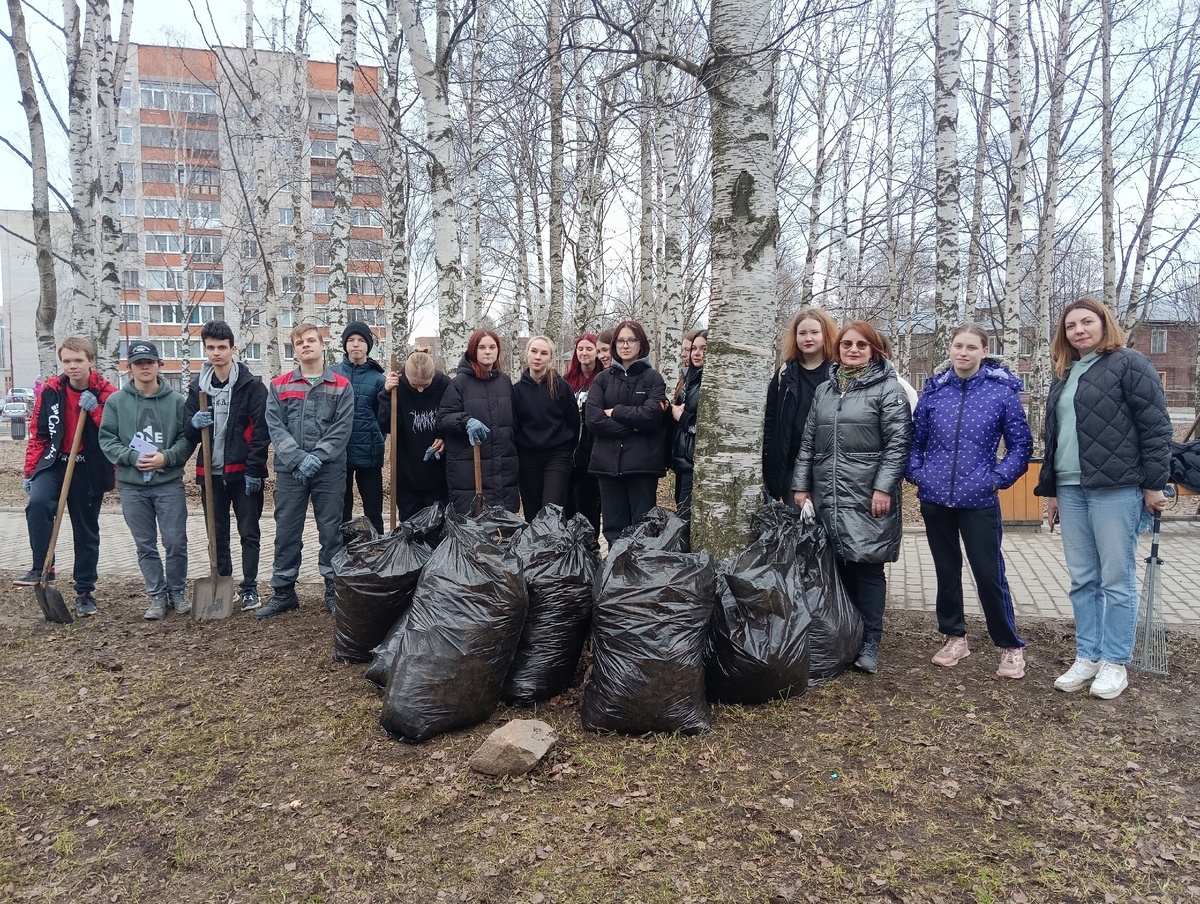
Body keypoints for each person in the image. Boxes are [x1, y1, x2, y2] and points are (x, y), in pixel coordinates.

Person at [1034, 298, 1172, 700]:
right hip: (1072, 488)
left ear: (1103, 324)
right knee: (1083, 580)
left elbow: (1155, 427)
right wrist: (1054, 491)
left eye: (1087, 322)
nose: (1079, 330)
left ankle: (1115, 661)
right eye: (1071, 325)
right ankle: (1087, 655)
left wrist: (1153, 484)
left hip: (1116, 488)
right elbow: (1057, 436)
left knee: (1116, 579)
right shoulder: (1065, 373)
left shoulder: (1130, 363)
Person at [907, 323, 1033, 678]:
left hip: (979, 500)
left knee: (988, 574)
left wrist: (996, 479)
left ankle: (1009, 646)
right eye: (958, 346)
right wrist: (918, 474)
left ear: (983, 351)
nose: (964, 353)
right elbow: (915, 442)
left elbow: (1021, 447)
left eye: (971, 347)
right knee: (946, 572)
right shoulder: (934, 392)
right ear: (949, 349)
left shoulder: (1001, 393)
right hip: (935, 499)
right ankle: (954, 637)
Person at [793, 320, 912, 675]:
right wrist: (802, 486)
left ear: (875, 350)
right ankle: (846, 637)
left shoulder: (889, 390)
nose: (853, 350)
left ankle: (871, 641)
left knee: (867, 567)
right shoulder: (826, 391)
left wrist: (883, 487)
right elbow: (809, 443)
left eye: (862, 345)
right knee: (838, 566)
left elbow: (898, 444)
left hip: (867, 495)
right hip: (829, 494)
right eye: (847, 345)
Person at [258, 323, 355, 618]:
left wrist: (318, 457)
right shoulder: (279, 385)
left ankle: (332, 588)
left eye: (311, 340)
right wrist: (298, 459)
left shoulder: (342, 386)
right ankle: (284, 591)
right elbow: (275, 426)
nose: (305, 345)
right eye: (299, 342)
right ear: (295, 349)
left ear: (323, 345)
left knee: (331, 532)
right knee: (287, 531)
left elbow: (342, 429)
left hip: (329, 471)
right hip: (291, 472)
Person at [18, 337, 118, 618]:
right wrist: (30, 470)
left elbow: (115, 430)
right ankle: (42, 567)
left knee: (85, 530)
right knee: (37, 505)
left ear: (90, 361)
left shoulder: (106, 392)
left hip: (88, 468)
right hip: (55, 463)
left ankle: (85, 591)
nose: (72, 366)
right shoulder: (51, 390)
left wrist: (96, 409)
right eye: (67, 361)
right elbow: (38, 433)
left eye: (78, 360)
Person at [98, 341, 196, 620]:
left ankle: (177, 590)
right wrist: (129, 457)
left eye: (149, 362)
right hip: (132, 486)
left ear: (158, 366)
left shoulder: (176, 401)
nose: (144, 367)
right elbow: (107, 439)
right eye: (138, 363)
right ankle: (156, 595)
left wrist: (166, 458)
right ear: (129, 368)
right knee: (145, 544)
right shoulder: (117, 401)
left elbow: (186, 439)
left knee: (176, 541)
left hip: (168, 483)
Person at [183, 320, 270, 612]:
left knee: (249, 531)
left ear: (233, 349)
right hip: (210, 473)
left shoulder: (252, 386)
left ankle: (249, 587)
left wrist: (255, 470)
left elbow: (261, 431)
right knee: (216, 531)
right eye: (211, 347)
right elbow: (188, 431)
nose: (216, 353)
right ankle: (224, 581)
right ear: (205, 349)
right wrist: (194, 424)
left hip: (243, 472)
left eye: (222, 347)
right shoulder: (199, 389)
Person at [587, 320, 669, 547]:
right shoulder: (602, 379)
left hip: (642, 464)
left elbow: (653, 416)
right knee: (613, 528)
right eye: (621, 340)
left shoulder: (653, 378)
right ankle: (615, 575)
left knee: (643, 528)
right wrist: (634, 425)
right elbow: (593, 419)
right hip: (607, 465)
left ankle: (640, 578)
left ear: (640, 343)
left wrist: (616, 412)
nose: (625, 345)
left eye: (631, 340)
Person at [438, 329, 520, 514]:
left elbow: (514, 422)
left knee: (503, 530)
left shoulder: (505, 382)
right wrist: (465, 421)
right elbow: (443, 418)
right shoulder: (460, 383)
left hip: (503, 469)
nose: (488, 351)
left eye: (492, 347)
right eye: (482, 347)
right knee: (474, 530)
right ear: (473, 350)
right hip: (469, 472)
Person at [762, 307, 838, 503]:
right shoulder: (785, 374)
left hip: (829, 467)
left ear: (825, 335)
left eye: (814, 332)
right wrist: (771, 460)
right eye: (802, 333)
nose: (808, 338)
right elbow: (770, 420)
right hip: (791, 468)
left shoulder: (837, 372)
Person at [377, 347, 451, 520]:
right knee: (411, 529)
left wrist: (443, 436)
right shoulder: (397, 387)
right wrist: (386, 394)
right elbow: (387, 425)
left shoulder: (445, 385)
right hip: (407, 473)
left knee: (437, 528)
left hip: (437, 475)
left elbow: (451, 416)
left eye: (425, 385)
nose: (420, 390)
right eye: (415, 385)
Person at [513, 336, 579, 521]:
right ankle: (536, 550)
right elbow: (513, 425)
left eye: (543, 353)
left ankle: (556, 549)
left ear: (551, 357)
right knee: (532, 513)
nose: (538, 357)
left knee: (552, 510)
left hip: (556, 456)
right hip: (527, 459)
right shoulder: (516, 391)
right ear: (527, 354)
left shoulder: (561, 387)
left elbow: (573, 423)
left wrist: (565, 450)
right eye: (534, 351)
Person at [332, 321, 387, 533]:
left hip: (369, 455)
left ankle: (378, 552)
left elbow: (383, 418)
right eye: (351, 340)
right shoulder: (332, 375)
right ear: (345, 345)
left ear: (368, 346)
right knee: (341, 511)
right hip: (339, 454)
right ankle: (343, 555)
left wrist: (376, 437)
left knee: (373, 512)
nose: (356, 345)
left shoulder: (378, 379)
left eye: (361, 340)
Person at [670, 329, 706, 539]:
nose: (696, 353)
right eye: (694, 348)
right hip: (682, 460)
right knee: (682, 515)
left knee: (687, 520)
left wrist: (681, 418)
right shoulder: (688, 378)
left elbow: (708, 428)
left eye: (703, 349)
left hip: (695, 461)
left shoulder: (708, 382)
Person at [565, 333, 602, 532]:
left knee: (590, 500)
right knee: (569, 499)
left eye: (589, 348)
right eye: (580, 349)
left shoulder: (603, 379)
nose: (584, 353)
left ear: (597, 352)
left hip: (594, 449)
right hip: (571, 449)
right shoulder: (567, 380)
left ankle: (591, 544)